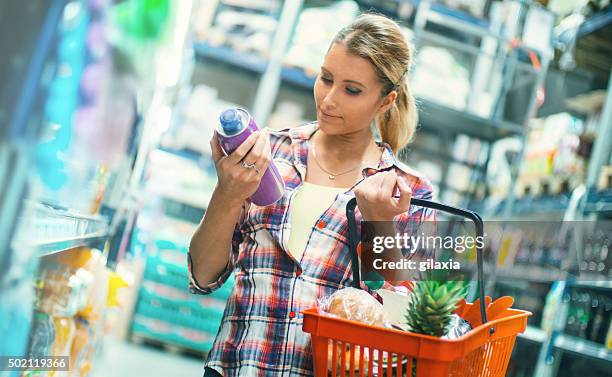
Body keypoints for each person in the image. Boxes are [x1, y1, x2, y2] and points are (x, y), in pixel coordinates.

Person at [188, 13, 435, 377]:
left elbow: (409, 320)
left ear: (386, 102)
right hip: (235, 367)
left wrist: (379, 223)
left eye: (352, 90)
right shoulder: (268, 153)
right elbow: (203, 278)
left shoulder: (408, 191)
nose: (329, 99)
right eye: (326, 78)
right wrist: (227, 195)